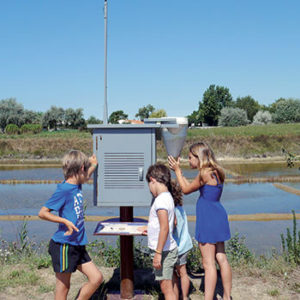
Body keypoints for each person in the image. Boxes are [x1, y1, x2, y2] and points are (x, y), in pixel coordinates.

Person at [168, 142, 232, 300]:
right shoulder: (217, 171)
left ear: (199, 157)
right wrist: (181, 173)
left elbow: (185, 189)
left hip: (208, 219)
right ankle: (227, 296)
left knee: (208, 263)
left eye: (190, 158)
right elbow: (191, 185)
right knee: (221, 258)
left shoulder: (204, 173)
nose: (189, 161)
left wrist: (177, 171)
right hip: (219, 215)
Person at [38, 150, 103, 300]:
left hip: (77, 244)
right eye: (85, 170)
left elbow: (86, 175)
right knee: (63, 288)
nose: (87, 175)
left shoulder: (77, 184)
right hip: (64, 245)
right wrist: (65, 221)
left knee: (96, 278)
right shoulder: (65, 190)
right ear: (81, 168)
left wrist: (93, 164)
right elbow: (42, 213)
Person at [139, 163, 180, 300]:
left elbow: (164, 227)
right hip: (169, 247)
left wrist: (157, 253)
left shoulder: (160, 201)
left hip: (163, 250)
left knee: (166, 288)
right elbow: (172, 222)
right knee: (170, 284)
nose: (150, 190)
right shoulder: (168, 197)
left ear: (153, 180)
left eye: (149, 185)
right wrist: (151, 230)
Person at [172, 192, 193, 300]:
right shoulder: (180, 207)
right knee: (183, 273)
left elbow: (173, 224)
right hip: (185, 244)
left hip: (175, 246)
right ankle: (185, 297)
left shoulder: (171, 210)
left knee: (172, 273)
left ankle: (175, 296)